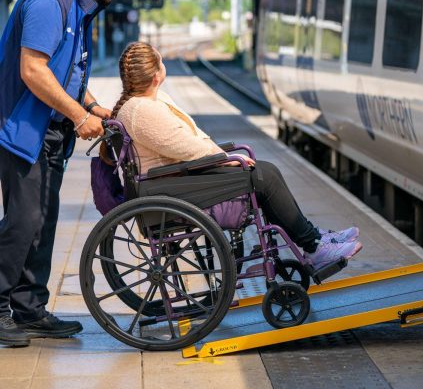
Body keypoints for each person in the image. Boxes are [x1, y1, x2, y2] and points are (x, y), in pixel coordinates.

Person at [0, 0, 145, 348]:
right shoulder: (50, 2)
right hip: (21, 131)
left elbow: (67, 73)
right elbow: (34, 71)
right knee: (22, 220)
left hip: (48, 133)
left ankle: (29, 309)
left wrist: (94, 106)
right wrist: (78, 115)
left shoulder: (81, 8)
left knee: (43, 220)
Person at [110, 42, 363, 277]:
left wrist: (222, 158)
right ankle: (314, 246)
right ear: (157, 75)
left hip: (178, 179)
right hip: (175, 187)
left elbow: (184, 145)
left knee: (265, 171)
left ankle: (314, 238)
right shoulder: (142, 110)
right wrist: (223, 159)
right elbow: (184, 147)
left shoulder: (144, 103)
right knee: (264, 178)